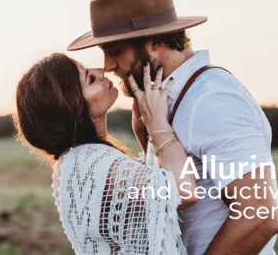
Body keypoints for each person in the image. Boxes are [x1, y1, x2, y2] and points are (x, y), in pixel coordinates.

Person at [67, 0, 278, 254]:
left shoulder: (211, 98)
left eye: (115, 51)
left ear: (155, 41)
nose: (108, 66)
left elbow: (260, 217)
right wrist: (146, 136)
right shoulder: (163, 100)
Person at [14, 53, 197, 255]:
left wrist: (143, 133)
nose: (101, 71)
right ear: (72, 104)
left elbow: (140, 207)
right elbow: (182, 192)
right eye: (90, 79)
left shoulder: (74, 161)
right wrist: (159, 126)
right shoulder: (91, 160)